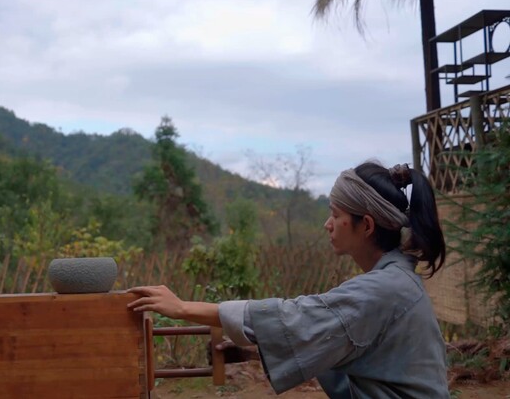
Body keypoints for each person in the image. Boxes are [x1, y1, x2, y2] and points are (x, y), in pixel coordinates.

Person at [128, 161, 449, 398]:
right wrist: (256, 348)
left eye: (336, 216)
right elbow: (328, 339)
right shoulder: (395, 281)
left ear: (365, 225)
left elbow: (297, 316)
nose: (328, 224)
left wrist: (183, 308)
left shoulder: (382, 290)